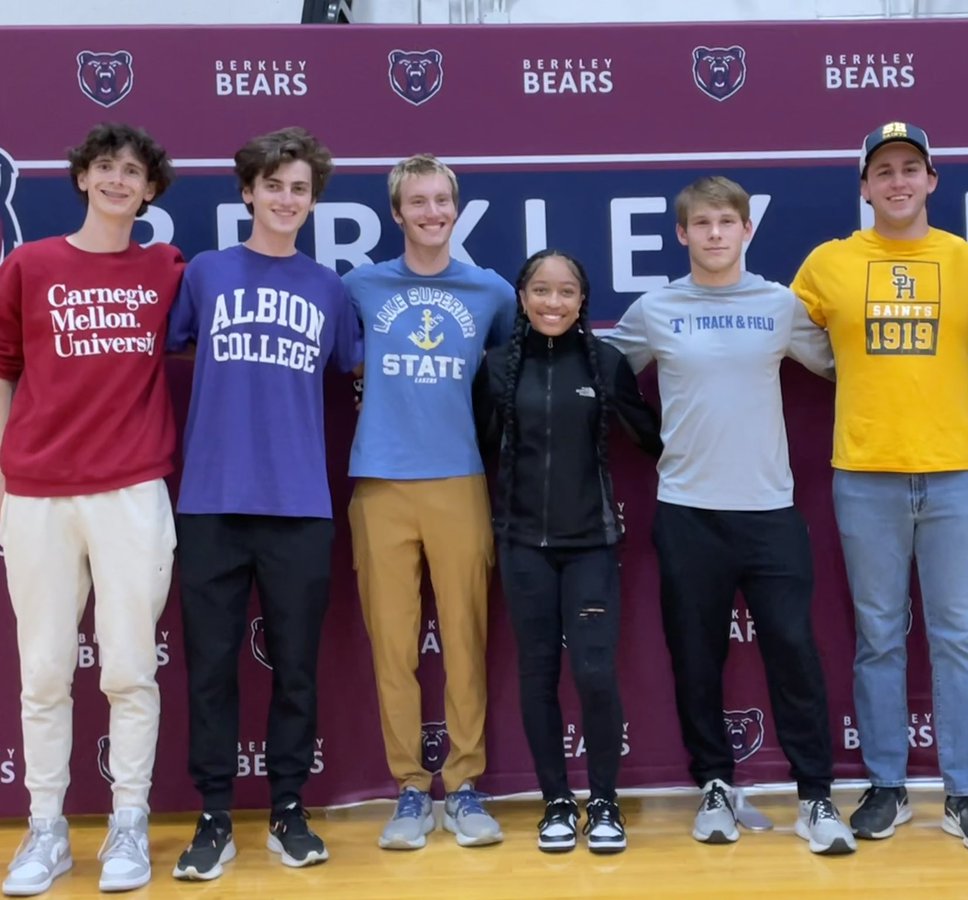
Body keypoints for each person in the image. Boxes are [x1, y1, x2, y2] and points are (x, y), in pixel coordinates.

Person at [606, 175, 855, 854]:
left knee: (795, 656)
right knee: (695, 658)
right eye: (702, 224)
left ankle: (815, 796)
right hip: (687, 511)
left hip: (770, 511)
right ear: (682, 234)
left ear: (748, 231)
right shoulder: (656, 308)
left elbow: (851, 366)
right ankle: (713, 783)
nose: (715, 235)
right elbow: (600, 374)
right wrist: (651, 440)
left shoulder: (779, 305)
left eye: (727, 223)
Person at [790, 121, 968, 854]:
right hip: (866, 472)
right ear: (863, 185)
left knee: (958, 639)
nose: (897, 182)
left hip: (956, 473)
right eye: (883, 171)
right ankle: (886, 785)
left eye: (910, 169)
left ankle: (966, 794)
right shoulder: (828, 263)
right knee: (878, 639)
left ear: (931, 181)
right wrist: (845, 370)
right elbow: (788, 332)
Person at [166, 127, 361, 880]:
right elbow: (176, 349)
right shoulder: (206, 274)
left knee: (297, 668)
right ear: (248, 191)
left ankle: (288, 808)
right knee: (211, 665)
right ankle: (213, 814)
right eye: (274, 185)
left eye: (300, 188)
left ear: (313, 201)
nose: (286, 199)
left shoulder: (330, 288)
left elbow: (352, 366)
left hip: (300, 502)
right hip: (211, 499)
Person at [0, 123, 183, 895]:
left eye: (132, 172)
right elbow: (4, 370)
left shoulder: (168, 268)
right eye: (104, 167)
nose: (116, 180)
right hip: (36, 491)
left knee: (129, 669)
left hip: (132, 489)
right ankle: (45, 829)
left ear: (149, 192)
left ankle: (128, 825)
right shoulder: (29, 264)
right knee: (42, 671)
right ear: (81, 177)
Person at [344, 154, 513, 849]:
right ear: (396, 212)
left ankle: (466, 786)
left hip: (459, 478)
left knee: (468, 640)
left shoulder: (492, 292)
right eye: (417, 202)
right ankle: (411, 789)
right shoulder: (358, 286)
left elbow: (504, 370)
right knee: (393, 645)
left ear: (457, 207)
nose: (431, 213)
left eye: (442, 200)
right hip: (380, 481)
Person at [474, 249, 661, 854]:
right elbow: (472, 448)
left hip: (591, 548)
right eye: (541, 290)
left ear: (583, 301)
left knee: (595, 673)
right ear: (522, 297)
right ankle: (555, 800)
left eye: (567, 292)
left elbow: (654, 438)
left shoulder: (605, 363)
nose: (553, 302)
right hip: (522, 545)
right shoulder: (499, 366)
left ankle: (603, 800)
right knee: (537, 675)